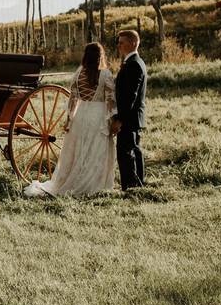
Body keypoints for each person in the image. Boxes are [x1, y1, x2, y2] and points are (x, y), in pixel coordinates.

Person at [24, 42, 116, 197]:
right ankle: (92, 185)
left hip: (81, 115)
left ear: (86, 56)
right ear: (101, 56)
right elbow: (110, 101)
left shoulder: (79, 73)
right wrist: (112, 120)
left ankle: (74, 179)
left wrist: (69, 119)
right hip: (97, 115)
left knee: (78, 151)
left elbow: (73, 99)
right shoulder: (105, 74)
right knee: (95, 151)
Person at [110, 29, 147, 190]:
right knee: (134, 150)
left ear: (133, 43)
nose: (119, 46)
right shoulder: (135, 62)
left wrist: (119, 120)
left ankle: (130, 187)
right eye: (118, 42)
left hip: (129, 117)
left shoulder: (133, 65)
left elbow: (129, 97)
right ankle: (138, 184)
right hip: (133, 116)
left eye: (121, 42)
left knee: (125, 153)